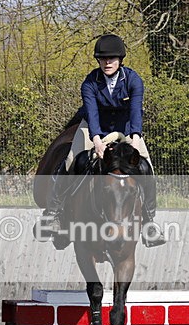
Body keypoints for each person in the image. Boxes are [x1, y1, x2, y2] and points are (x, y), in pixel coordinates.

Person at [40, 33, 166, 248]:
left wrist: (136, 140)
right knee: (70, 161)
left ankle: (149, 221)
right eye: (103, 59)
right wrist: (96, 141)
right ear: (98, 60)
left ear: (120, 60)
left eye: (112, 59)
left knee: (147, 167)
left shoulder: (134, 80)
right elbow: (91, 112)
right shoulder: (90, 82)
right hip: (93, 127)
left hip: (126, 128)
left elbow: (136, 111)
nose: (107, 62)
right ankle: (54, 213)